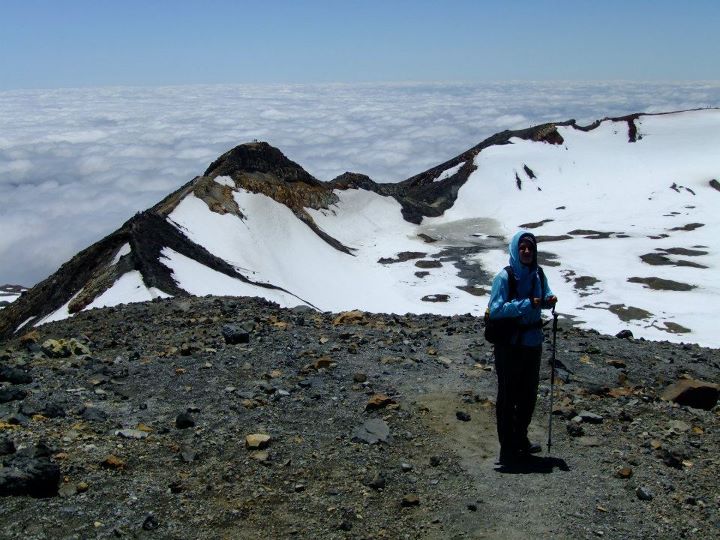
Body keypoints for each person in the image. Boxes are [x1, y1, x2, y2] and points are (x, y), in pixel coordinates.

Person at [488, 230, 557, 465]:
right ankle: (508, 448)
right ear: (516, 250)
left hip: (532, 343)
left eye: (530, 248)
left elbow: (545, 294)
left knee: (528, 396)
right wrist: (528, 304)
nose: (527, 251)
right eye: (523, 248)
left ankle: (520, 439)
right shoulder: (504, 278)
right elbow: (496, 309)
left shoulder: (538, 275)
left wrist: (548, 299)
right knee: (509, 396)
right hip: (509, 345)